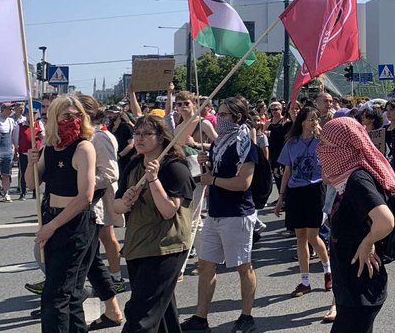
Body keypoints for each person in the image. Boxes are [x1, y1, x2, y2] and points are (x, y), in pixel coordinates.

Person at [182, 98, 258, 333]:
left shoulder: (246, 146)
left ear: (237, 118)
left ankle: (247, 316)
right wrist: (207, 166)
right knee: (206, 265)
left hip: (237, 214)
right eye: (220, 114)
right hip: (215, 212)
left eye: (224, 115)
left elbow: (243, 183)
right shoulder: (218, 144)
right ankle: (200, 317)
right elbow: (215, 174)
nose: (220, 118)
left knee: (243, 267)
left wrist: (212, 179)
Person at [113, 114, 195, 332]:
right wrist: (125, 202)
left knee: (141, 314)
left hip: (165, 246)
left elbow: (169, 210)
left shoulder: (174, 167)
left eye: (147, 133)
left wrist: (153, 180)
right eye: (137, 133)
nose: (139, 138)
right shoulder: (133, 166)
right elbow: (116, 207)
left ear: (160, 138)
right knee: (162, 313)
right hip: (138, 245)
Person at [25, 95, 98, 333]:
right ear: (55, 118)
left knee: (55, 296)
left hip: (73, 223)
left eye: (76, 115)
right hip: (53, 217)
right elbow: (30, 184)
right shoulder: (50, 147)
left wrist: (52, 226)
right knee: (71, 296)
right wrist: (31, 163)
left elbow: (85, 196)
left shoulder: (84, 147)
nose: (72, 119)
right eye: (66, 115)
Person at [317, 117, 395, 333]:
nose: (320, 149)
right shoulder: (348, 178)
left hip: (360, 291)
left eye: (326, 144)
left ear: (344, 148)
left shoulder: (357, 180)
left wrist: (367, 243)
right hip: (352, 289)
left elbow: (385, 221)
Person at [77, 95, 125, 330]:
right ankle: (111, 308)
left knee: (87, 256)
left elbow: (110, 173)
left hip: (96, 202)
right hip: (84, 203)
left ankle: (66, 300)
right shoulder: (86, 135)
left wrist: (81, 184)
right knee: (91, 258)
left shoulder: (100, 136)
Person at [273, 107, 332, 296]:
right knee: (300, 236)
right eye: (310, 119)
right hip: (296, 191)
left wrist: (322, 136)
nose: (313, 122)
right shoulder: (292, 143)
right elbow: (287, 170)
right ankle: (304, 281)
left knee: (313, 235)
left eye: (315, 119)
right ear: (302, 122)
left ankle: (327, 271)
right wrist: (281, 197)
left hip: (315, 190)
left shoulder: (321, 142)